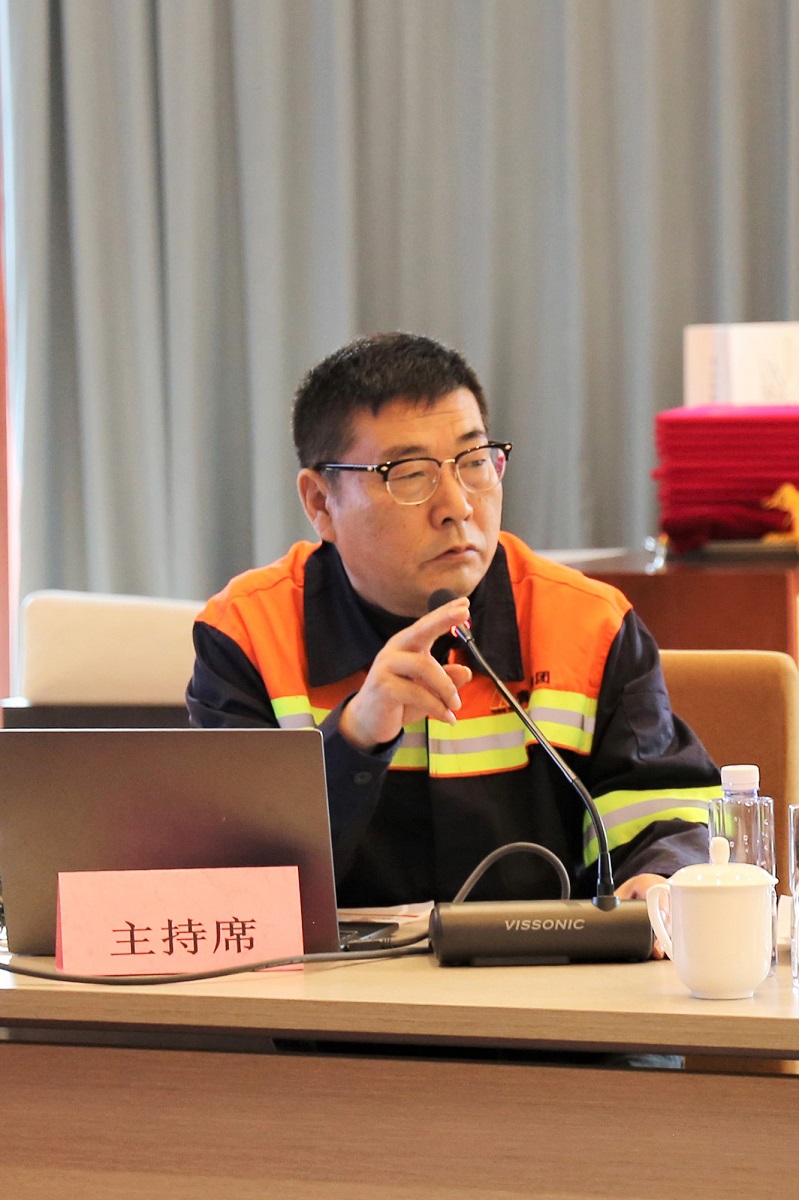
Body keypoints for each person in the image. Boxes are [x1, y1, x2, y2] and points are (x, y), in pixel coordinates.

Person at [187, 332, 719, 912]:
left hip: (545, 965)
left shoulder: (590, 626)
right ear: (320, 502)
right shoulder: (248, 635)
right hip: (336, 971)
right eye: (410, 474)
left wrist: (659, 874)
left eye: (474, 462)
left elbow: (663, 815)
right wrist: (355, 738)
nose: (458, 506)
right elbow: (232, 887)